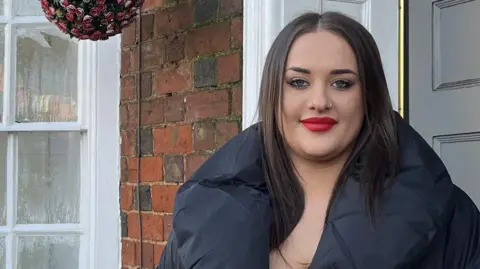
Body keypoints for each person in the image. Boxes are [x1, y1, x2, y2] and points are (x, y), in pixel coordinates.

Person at [156, 11, 480, 269]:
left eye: (341, 83)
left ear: (369, 96)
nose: (319, 100)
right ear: (274, 94)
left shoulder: (448, 214)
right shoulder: (208, 211)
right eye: (298, 82)